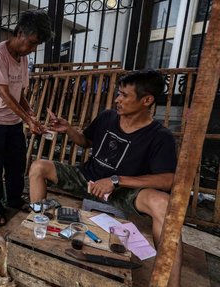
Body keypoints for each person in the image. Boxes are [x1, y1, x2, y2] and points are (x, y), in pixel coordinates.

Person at [29, 70, 181, 286]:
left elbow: (168, 180)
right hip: (87, 179)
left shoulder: (159, 136)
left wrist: (117, 181)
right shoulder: (108, 117)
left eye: (124, 95)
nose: (117, 100)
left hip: (123, 192)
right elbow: (85, 142)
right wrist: (69, 130)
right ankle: (38, 229)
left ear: (146, 100)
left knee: (164, 205)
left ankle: (170, 281)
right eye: (118, 94)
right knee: (38, 167)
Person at [0, 9, 52, 226]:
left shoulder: (23, 58)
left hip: (13, 119)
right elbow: (5, 94)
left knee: (16, 164)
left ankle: (14, 200)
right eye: (30, 42)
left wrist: (31, 114)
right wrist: (28, 120)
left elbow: (20, 94)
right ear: (19, 32)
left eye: (36, 45)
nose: (31, 49)